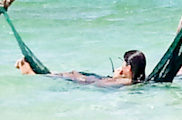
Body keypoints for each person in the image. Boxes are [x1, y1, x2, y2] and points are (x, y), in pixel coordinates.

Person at [14, 50, 146, 87]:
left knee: (75, 74)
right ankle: (49, 74)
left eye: (123, 63)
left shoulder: (124, 81)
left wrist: (114, 78)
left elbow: (98, 84)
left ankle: (30, 73)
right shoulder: (139, 80)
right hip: (96, 81)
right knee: (73, 73)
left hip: (91, 83)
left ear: (128, 68)